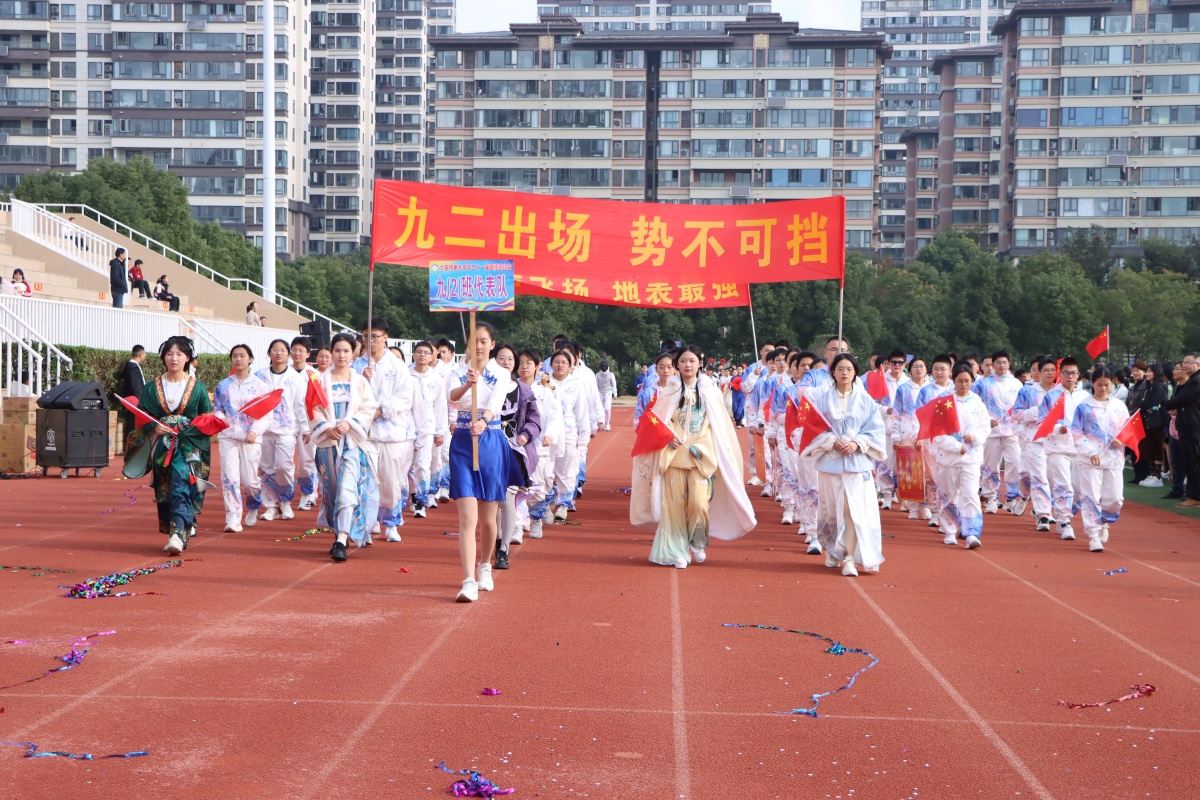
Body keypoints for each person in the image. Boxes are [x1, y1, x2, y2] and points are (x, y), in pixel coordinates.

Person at [632, 344, 755, 568]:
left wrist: (702, 446)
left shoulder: (710, 392)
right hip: (673, 455)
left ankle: (697, 540)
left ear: (700, 363)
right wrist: (668, 437)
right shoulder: (668, 392)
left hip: (700, 456)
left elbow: (715, 426)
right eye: (683, 361)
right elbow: (660, 421)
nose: (687, 365)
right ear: (677, 365)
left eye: (692, 361)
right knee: (675, 506)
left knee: (699, 503)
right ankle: (676, 551)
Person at [122, 336, 212, 555]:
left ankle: (177, 535)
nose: (174, 358)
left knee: (182, 483)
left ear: (187, 358)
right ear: (163, 357)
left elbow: (206, 418)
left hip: (189, 447)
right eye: (170, 354)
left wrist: (188, 428)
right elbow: (143, 417)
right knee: (165, 488)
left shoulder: (198, 388)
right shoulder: (151, 387)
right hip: (162, 448)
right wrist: (155, 426)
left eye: (179, 354)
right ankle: (181, 525)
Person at [802, 353, 886, 577]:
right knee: (831, 510)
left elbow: (875, 430)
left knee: (852, 510)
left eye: (849, 369)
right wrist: (831, 441)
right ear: (833, 372)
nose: (845, 373)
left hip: (856, 465)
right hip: (830, 463)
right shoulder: (822, 399)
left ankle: (849, 557)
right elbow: (812, 427)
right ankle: (833, 550)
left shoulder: (865, 400)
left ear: (855, 372)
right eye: (840, 369)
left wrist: (857, 443)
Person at [448, 321, 510, 602]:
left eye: (484, 341)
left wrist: (484, 421)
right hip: (463, 441)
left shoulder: (501, 372)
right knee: (467, 519)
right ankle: (468, 580)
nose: (479, 346)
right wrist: (466, 384)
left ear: (492, 344)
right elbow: (451, 397)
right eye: (474, 341)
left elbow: (495, 404)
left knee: (487, 519)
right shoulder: (458, 370)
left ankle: (485, 566)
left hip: (490, 441)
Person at [309, 333, 380, 562]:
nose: (341, 355)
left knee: (348, 488)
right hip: (328, 444)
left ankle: (341, 539)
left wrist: (350, 423)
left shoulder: (360, 382)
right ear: (331, 353)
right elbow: (311, 408)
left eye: (346, 351)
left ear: (354, 354)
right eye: (337, 350)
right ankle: (338, 532)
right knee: (331, 491)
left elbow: (368, 408)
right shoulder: (319, 381)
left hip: (352, 444)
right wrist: (326, 427)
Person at [353, 318, 423, 542]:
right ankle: (367, 523)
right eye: (366, 336)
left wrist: (381, 410)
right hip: (364, 435)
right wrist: (362, 381)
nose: (370, 341)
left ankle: (391, 523)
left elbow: (405, 397)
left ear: (385, 338)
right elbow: (350, 395)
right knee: (365, 481)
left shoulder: (398, 366)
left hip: (392, 435)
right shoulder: (356, 367)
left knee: (391, 482)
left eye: (375, 336)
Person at [931, 362, 991, 549]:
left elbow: (985, 427)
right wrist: (955, 446)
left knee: (971, 494)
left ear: (972, 380)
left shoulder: (977, 402)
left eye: (967, 381)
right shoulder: (944, 400)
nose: (963, 384)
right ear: (953, 380)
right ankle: (950, 530)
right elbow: (937, 431)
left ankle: (971, 532)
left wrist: (975, 437)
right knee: (948, 494)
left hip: (971, 458)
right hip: (948, 458)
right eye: (959, 381)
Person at [491, 344, 541, 570]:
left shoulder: (524, 391)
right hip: (488, 448)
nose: (506, 363)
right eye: (501, 358)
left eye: (510, 359)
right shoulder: (484, 387)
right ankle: (496, 538)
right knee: (491, 500)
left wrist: (526, 435)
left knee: (507, 498)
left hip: (514, 450)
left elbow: (534, 420)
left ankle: (503, 549)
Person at [1071, 365, 1131, 551]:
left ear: (1111, 383)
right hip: (1090, 459)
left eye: (1106, 384)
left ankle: (1104, 520)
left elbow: (1127, 428)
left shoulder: (1118, 405)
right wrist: (1090, 451)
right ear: (1092, 384)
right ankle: (1093, 534)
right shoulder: (1084, 406)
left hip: (1113, 457)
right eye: (1099, 384)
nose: (1103, 388)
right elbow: (1076, 432)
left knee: (1115, 499)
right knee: (1091, 496)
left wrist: (1121, 440)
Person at [213, 344, 270, 532]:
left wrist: (255, 430)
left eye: (242, 356)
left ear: (250, 359)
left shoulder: (259, 385)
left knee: (250, 481)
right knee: (230, 478)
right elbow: (218, 409)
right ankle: (233, 518)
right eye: (235, 356)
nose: (238, 359)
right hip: (228, 437)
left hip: (250, 438)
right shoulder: (223, 385)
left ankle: (253, 504)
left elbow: (266, 413)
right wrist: (223, 422)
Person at [255, 339, 308, 522]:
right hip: (264, 430)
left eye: (283, 350)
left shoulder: (295, 378)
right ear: (269, 353)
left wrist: (305, 428)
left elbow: (300, 405)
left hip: (287, 429)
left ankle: (285, 501)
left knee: (284, 466)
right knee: (266, 468)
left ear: (288, 354)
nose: (279, 353)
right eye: (275, 350)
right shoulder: (259, 376)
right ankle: (271, 505)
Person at [1039, 357, 1089, 540]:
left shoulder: (1085, 397)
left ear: (1078, 375)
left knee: (1079, 490)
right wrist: (1056, 429)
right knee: (1063, 486)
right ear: (1060, 374)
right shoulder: (1051, 396)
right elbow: (1041, 420)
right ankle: (1064, 521)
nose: (1070, 376)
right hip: (1057, 448)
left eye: (1073, 373)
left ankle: (1064, 512)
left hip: (1079, 449)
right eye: (1066, 373)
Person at [517, 348, 562, 540]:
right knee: (516, 485)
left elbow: (554, 416)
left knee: (540, 485)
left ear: (537, 366)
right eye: (521, 362)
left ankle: (536, 518)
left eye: (529, 363)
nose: (524, 367)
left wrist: (550, 435)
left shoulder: (543, 391)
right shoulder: (511, 388)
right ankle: (518, 523)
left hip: (539, 446)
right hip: (516, 445)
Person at [972, 350, 1023, 514]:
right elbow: (974, 406)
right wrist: (986, 419)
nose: (1002, 365)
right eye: (998, 363)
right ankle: (991, 497)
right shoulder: (982, 384)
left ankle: (1011, 497)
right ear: (992, 365)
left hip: (1011, 431)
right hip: (991, 431)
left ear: (1009, 364)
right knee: (991, 466)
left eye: (1004, 362)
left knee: (1015, 463)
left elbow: (1021, 407)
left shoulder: (1016, 384)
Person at [1010, 356, 1057, 530]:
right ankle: (1043, 513)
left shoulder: (1061, 392)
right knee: (1034, 475)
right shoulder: (1027, 391)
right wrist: (1038, 411)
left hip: (1056, 441)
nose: (1047, 373)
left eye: (1052, 370)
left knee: (1051, 478)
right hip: (1033, 439)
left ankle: (1040, 506)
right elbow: (1016, 415)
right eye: (1042, 370)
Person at [548, 348, 590, 522]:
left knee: (567, 470)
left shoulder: (576, 384)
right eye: (557, 362)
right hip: (547, 434)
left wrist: (583, 440)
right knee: (547, 470)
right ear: (551, 364)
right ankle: (547, 502)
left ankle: (564, 504)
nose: (560, 365)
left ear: (570, 366)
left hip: (569, 433)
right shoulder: (543, 382)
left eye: (564, 362)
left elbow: (582, 413)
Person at [409, 340, 448, 518]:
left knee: (423, 464)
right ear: (413, 354)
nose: (422, 355)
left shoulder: (436, 378)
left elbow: (440, 406)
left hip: (428, 427)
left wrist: (440, 431)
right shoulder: (406, 375)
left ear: (432, 356)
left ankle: (421, 501)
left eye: (426, 352)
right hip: (407, 426)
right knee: (407, 465)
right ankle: (410, 495)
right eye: (419, 351)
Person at [1163, 352, 1200, 508]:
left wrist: (1165, 404)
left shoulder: (1196, 381)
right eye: (1184, 362)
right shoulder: (1193, 380)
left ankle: (1195, 496)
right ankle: (1193, 494)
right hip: (1188, 424)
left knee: (1192, 462)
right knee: (1190, 461)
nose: (1185, 365)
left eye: (1189, 362)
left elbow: (1181, 399)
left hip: (1191, 425)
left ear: (1198, 365)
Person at [290, 337, 320, 511]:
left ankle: (308, 493)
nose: (297, 353)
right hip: (286, 422)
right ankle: (283, 497)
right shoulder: (285, 372)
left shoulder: (313, 375)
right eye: (294, 350)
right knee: (284, 462)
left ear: (308, 354)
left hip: (307, 423)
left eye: (301, 350)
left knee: (306, 460)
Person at [740, 341, 775, 485]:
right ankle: (756, 472)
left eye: (772, 350)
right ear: (761, 351)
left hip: (771, 411)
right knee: (755, 443)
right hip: (754, 410)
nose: (769, 353)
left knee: (772, 443)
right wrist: (754, 375)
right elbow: (745, 388)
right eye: (766, 350)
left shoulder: (777, 368)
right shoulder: (752, 368)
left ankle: (772, 475)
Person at [1133, 365, 1169, 488]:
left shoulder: (1159, 387)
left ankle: (1157, 477)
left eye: (1149, 371)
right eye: (1147, 371)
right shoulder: (1150, 387)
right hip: (1149, 421)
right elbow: (1143, 403)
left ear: (1156, 373)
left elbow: (1148, 403)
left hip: (1157, 422)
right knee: (1149, 448)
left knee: (1156, 448)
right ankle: (1152, 474)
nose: (1147, 374)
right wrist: (1142, 403)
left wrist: (1142, 402)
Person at [633, 351, 674, 428]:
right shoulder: (648, 393)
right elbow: (638, 417)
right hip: (652, 433)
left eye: (669, 367)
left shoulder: (680, 391)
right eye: (661, 367)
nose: (665, 371)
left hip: (675, 434)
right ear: (656, 369)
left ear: (675, 369)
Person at [117, 345, 147, 439]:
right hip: (134, 402)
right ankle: (131, 443)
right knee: (133, 424)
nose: (145, 356)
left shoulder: (131, 366)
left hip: (132, 400)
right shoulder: (133, 367)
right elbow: (136, 387)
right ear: (141, 355)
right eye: (144, 354)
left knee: (133, 423)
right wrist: (141, 401)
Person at [595, 360, 617, 431]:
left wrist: (614, 393)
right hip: (600, 393)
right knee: (600, 409)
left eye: (605, 366)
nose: (604, 368)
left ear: (607, 367)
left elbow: (613, 384)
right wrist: (595, 394)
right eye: (602, 366)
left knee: (607, 409)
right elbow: (596, 385)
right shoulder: (598, 375)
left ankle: (607, 424)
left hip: (608, 393)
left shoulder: (611, 374)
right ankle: (602, 423)